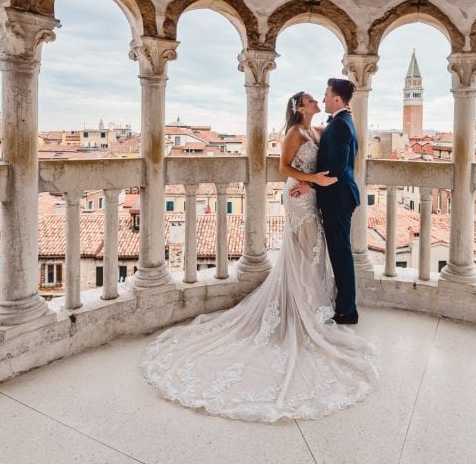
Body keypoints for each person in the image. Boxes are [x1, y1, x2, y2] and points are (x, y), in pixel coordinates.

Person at [141, 91, 379, 422]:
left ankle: (311, 304)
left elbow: (336, 156)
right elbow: (284, 167)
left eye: (319, 99)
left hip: (312, 195)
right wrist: (310, 182)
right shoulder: (294, 133)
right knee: (302, 248)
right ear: (298, 106)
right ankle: (299, 309)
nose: (316, 103)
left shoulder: (320, 131)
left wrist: (316, 182)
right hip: (298, 196)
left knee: (314, 250)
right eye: (311, 100)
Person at [291, 77, 360, 324]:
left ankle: (347, 310)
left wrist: (308, 183)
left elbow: (338, 167)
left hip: (338, 199)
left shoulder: (341, 124)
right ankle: (344, 304)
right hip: (337, 197)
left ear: (337, 99)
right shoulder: (340, 121)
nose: (322, 99)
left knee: (341, 254)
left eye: (326, 94)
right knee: (339, 252)